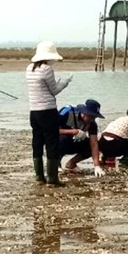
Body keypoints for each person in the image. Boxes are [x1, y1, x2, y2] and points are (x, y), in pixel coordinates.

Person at [26, 41, 72, 186]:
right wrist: (64, 83)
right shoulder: (47, 69)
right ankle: (52, 179)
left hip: (34, 111)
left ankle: (39, 177)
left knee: (37, 142)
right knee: (52, 143)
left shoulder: (29, 69)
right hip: (48, 110)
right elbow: (54, 91)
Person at [65, 107, 128, 171]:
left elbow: (119, 134)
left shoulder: (121, 119)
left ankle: (104, 158)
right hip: (115, 146)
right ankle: (126, 160)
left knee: (113, 139)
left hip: (102, 144)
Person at [58, 99, 105, 177]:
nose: (92, 120)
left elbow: (94, 144)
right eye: (91, 116)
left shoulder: (92, 124)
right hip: (58, 140)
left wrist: (97, 166)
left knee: (95, 145)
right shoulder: (67, 112)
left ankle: (71, 164)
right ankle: (56, 164)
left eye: (94, 117)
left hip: (73, 142)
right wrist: (73, 131)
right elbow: (51, 130)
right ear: (84, 112)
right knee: (63, 139)